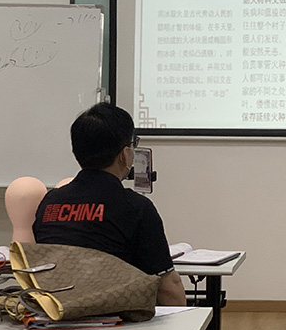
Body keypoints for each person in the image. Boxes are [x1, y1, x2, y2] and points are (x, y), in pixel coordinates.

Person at [32, 102, 186, 307]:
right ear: (125, 154)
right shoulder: (136, 208)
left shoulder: (50, 203)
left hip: (56, 317)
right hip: (117, 319)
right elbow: (168, 287)